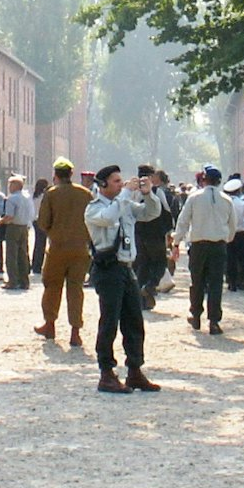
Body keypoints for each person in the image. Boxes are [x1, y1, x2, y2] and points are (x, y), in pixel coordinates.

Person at [85, 163, 163, 393]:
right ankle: (106, 373)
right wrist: (127, 193)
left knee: (134, 321)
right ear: (103, 185)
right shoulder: (93, 208)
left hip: (127, 268)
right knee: (109, 321)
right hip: (107, 269)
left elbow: (150, 213)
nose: (122, 184)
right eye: (116, 181)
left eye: (122, 181)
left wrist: (148, 194)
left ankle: (135, 370)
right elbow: (108, 219)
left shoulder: (126, 203)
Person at [34, 158, 93, 345]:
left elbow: (43, 223)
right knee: (76, 289)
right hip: (80, 249)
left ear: (56, 175)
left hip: (58, 248)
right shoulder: (86, 194)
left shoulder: (51, 194)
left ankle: (50, 325)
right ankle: (75, 332)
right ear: (71, 174)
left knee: (52, 286)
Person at [174, 164, 238, 334]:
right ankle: (214, 321)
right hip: (218, 245)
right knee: (216, 283)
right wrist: (227, 239)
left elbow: (183, 221)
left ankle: (196, 315)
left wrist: (176, 242)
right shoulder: (227, 199)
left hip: (199, 245)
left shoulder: (194, 198)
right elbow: (233, 225)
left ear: (203, 179)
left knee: (197, 281)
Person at [133, 164, 174, 309]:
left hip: (138, 234)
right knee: (160, 264)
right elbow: (166, 212)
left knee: (142, 265)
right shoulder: (156, 191)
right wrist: (169, 232)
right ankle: (150, 286)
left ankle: (141, 299)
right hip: (155, 234)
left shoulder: (132, 192)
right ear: (150, 177)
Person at [0, 174, 33, 290]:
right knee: (23, 254)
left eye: (11, 184)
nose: (9, 187)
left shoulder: (11, 198)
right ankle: (24, 281)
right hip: (24, 227)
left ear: (16, 185)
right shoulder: (27, 197)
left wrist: (0, 221)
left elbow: (9, 216)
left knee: (11, 255)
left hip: (13, 227)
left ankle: (12, 281)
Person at [224, 176, 244, 292]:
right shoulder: (243, 204)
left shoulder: (225, 204)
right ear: (239, 190)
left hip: (228, 234)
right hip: (241, 234)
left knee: (230, 259)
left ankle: (232, 283)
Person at [30, 177, 50, 274]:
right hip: (43, 220)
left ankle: (35, 264)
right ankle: (39, 265)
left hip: (35, 221)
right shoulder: (45, 196)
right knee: (43, 244)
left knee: (38, 243)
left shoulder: (34, 196)